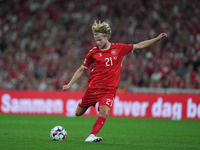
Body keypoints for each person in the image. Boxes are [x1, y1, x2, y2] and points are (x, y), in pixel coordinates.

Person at [62, 21, 167, 142]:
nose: (98, 42)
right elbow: (81, 69)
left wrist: (157, 39)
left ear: (106, 36)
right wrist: (70, 84)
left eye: (100, 39)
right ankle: (87, 109)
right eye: (96, 40)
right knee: (78, 113)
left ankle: (91, 136)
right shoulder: (93, 52)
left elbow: (138, 45)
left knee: (105, 111)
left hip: (109, 90)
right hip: (93, 88)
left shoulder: (119, 48)